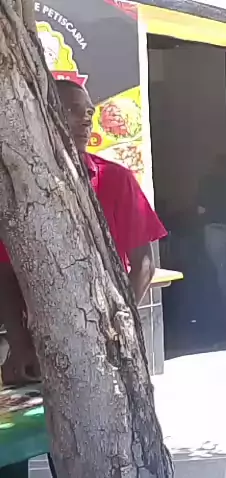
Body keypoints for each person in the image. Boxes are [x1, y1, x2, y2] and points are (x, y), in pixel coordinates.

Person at [0, 79, 167, 386]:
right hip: (40, 342)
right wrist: (20, 344)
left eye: (89, 112)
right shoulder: (19, 186)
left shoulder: (116, 179)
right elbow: (6, 273)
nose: (86, 120)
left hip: (107, 338)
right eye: (73, 110)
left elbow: (143, 265)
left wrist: (118, 328)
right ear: (44, 114)